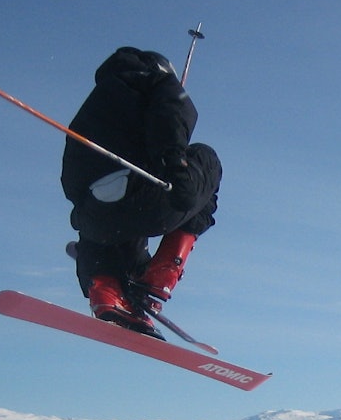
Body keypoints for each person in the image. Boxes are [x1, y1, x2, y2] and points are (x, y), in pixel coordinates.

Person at [61, 47, 222, 337]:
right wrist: (177, 164)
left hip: (96, 217)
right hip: (149, 202)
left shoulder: (90, 114)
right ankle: (158, 280)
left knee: (106, 220)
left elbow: (72, 183)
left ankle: (107, 291)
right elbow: (174, 113)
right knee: (206, 159)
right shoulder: (157, 83)